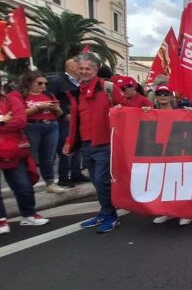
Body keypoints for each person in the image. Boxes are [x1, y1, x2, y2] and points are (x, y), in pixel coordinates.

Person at [63, 53, 120, 234]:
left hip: (104, 144)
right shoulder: (77, 92)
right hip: (86, 145)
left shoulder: (108, 88)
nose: (84, 71)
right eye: (81, 68)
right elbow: (76, 121)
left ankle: (110, 216)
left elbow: (126, 108)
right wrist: (69, 141)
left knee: (101, 181)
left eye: (88, 68)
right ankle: (105, 212)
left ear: (96, 69)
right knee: (96, 182)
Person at [143, 85, 192, 227]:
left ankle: (185, 212)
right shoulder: (151, 112)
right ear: (156, 97)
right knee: (164, 182)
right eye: (159, 94)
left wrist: (190, 113)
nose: (163, 96)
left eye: (166, 93)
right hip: (160, 154)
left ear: (171, 97)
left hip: (178, 152)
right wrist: (144, 113)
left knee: (180, 182)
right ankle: (167, 212)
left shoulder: (181, 112)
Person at [0, 86, 50, 235]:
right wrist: (4, 120)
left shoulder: (11, 100)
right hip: (12, 146)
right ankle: (1, 219)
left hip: (14, 151)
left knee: (24, 185)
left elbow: (20, 121)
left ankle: (28, 214)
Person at [21, 71, 66, 194]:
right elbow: (20, 114)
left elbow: (60, 113)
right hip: (32, 126)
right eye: (39, 83)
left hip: (51, 125)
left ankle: (50, 183)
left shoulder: (49, 95)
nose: (43, 86)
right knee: (30, 157)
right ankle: (27, 184)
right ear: (29, 82)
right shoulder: (23, 96)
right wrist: (38, 107)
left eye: (45, 83)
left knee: (48, 157)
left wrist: (56, 109)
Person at [47, 58, 87, 187]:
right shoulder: (57, 81)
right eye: (79, 66)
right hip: (64, 121)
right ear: (71, 67)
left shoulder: (82, 83)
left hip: (80, 120)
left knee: (78, 147)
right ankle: (63, 177)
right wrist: (63, 115)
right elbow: (50, 100)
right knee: (67, 148)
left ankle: (76, 174)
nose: (83, 69)